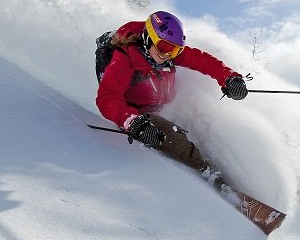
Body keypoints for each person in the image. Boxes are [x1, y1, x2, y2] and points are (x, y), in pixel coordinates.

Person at [96, 10, 249, 174]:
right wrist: (133, 122)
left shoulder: (164, 54)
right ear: (149, 38)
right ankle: (207, 173)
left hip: (162, 105)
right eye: (164, 47)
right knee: (170, 134)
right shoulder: (125, 58)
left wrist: (229, 77)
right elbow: (107, 97)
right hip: (135, 113)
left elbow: (203, 61)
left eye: (175, 50)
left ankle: (213, 162)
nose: (168, 55)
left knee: (200, 117)